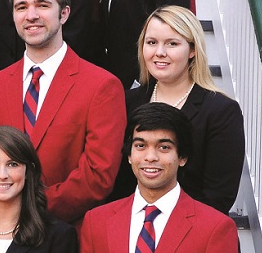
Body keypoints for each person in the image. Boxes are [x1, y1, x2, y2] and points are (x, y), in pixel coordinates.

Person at [0, 0, 125, 227]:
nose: (31, 15)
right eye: (21, 7)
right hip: (2, 233)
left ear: (64, 13)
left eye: (42, 5)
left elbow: (98, 176)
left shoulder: (102, 86)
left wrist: (29, 209)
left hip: (66, 234)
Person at [110, 6, 245, 214]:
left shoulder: (221, 111)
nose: (159, 52)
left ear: (192, 50)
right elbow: (117, 181)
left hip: (194, 232)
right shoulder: (125, 102)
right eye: (152, 42)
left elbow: (218, 197)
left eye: (172, 43)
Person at [80, 103, 238, 253]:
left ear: (182, 157)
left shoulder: (216, 227)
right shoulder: (96, 221)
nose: (150, 157)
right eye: (140, 146)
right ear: (129, 155)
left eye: (164, 147)